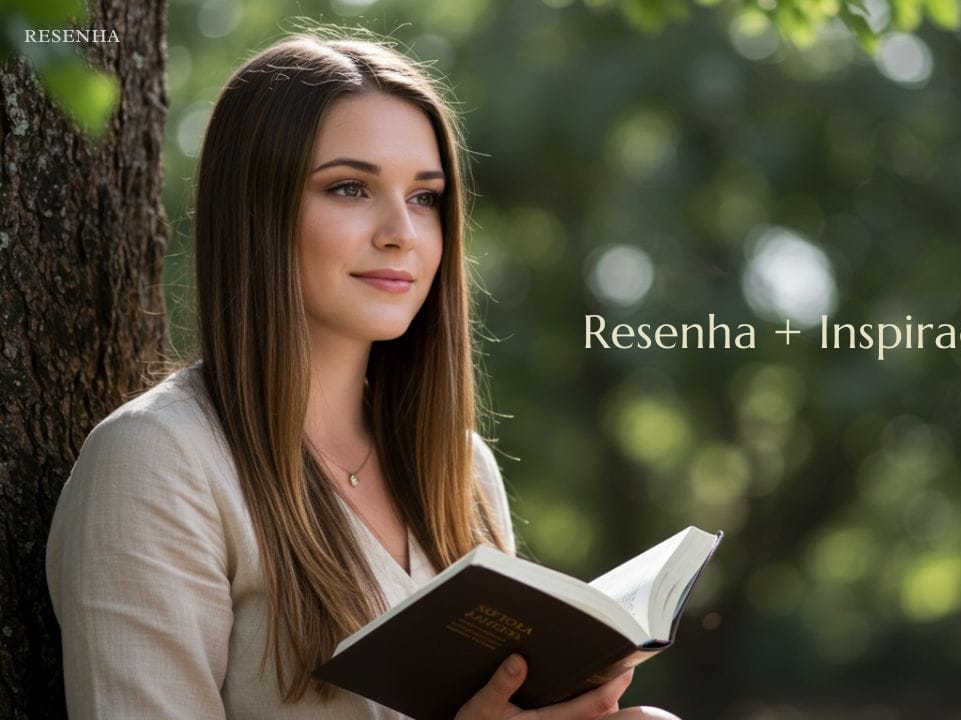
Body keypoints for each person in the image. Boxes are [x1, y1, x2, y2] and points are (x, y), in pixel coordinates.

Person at [45, 33, 679, 720]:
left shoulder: (461, 469)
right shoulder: (159, 463)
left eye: (427, 197)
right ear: (258, 209)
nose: (401, 232)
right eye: (350, 188)